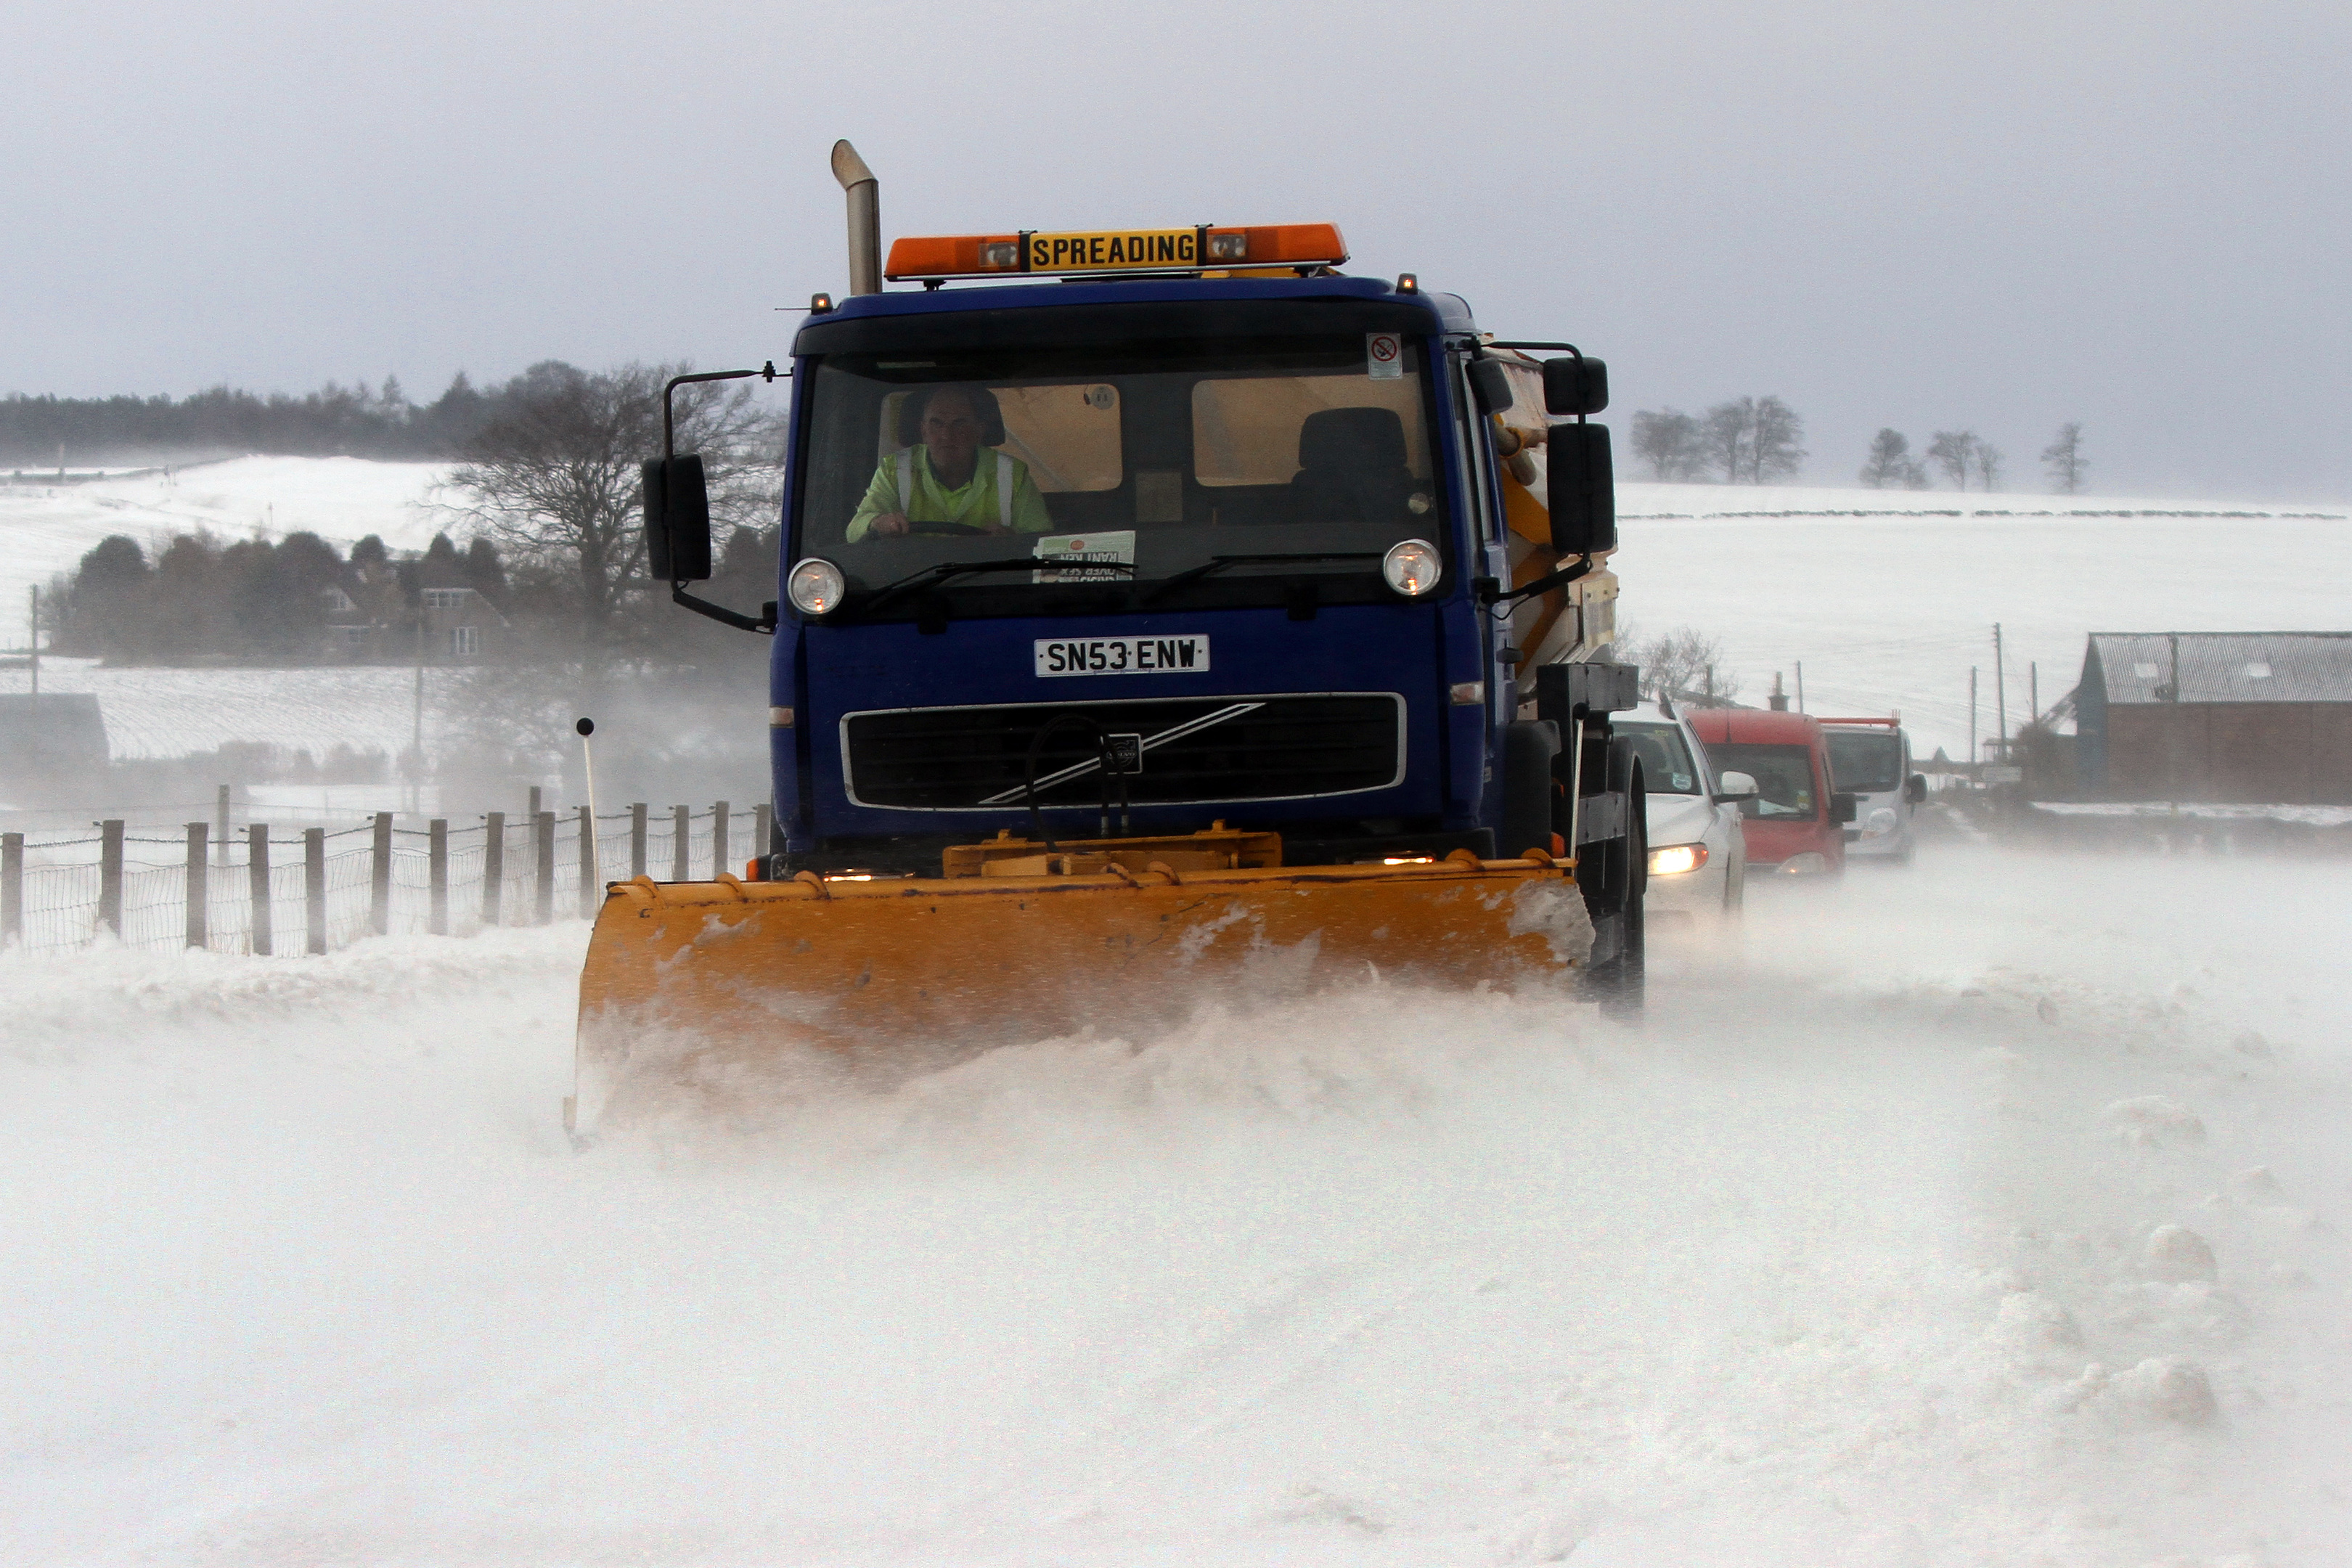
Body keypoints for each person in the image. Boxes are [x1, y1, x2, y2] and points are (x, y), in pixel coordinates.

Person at [847, 385, 1051, 541]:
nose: (946, 435)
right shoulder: (894, 470)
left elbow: (1043, 540)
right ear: (923, 430)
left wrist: (1011, 538)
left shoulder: (1012, 473)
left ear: (979, 431)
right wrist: (877, 523)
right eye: (936, 423)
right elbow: (854, 531)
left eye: (959, 423)